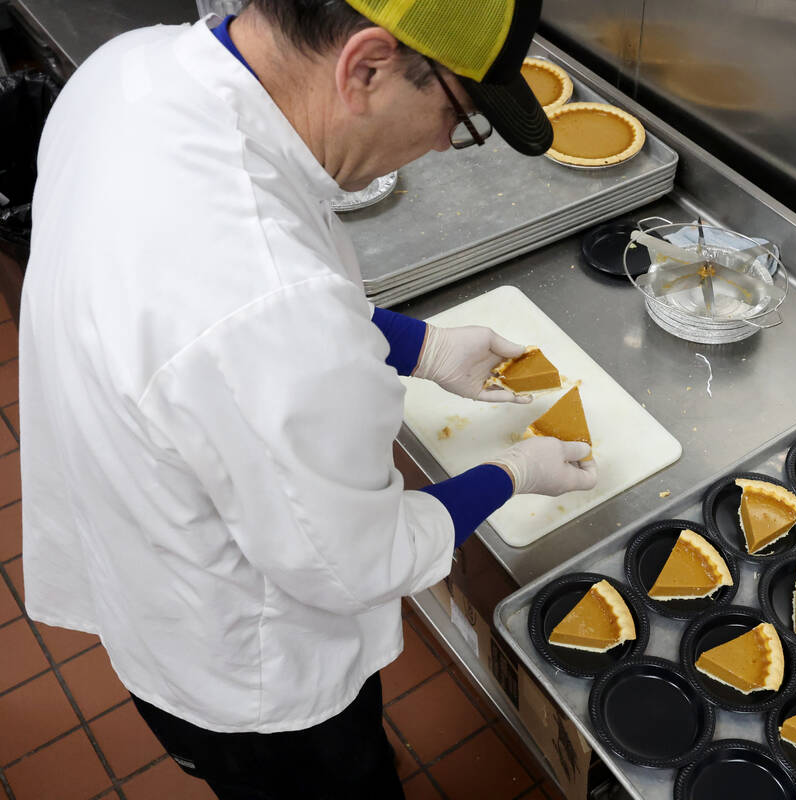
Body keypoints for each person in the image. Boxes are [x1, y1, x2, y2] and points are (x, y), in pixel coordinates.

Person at [18, 0, 595, 796]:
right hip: (248, 673)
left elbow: (248, 309)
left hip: (143, 554)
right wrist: (513, 475)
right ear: (365, 66)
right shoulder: (267, 307)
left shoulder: (132, 69)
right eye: (455, 117)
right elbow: (363, 559)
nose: (440, 146)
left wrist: (424, 347)